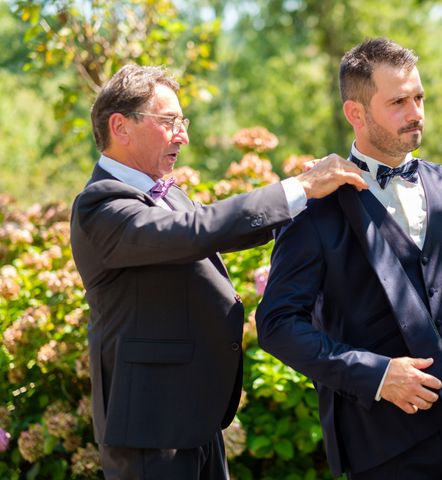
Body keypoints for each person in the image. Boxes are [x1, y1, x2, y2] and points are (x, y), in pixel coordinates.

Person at [69, 64, 367, 480]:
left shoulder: (168, 193)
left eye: (183, 122)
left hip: (197, 420)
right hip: (150, 430)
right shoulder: (99, 205)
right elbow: (199, 230)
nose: (183, 136)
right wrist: (299, 186)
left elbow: (221, 234)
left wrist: (312, 200)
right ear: (120, 126)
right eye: (170, 121)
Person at [256, 38, 442, 479]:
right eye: (398, 102)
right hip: (379, 446)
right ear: (355, 113)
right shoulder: (315, 206)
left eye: (418, 98)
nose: (415, 113)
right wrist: (374, 375)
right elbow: (278, 324)